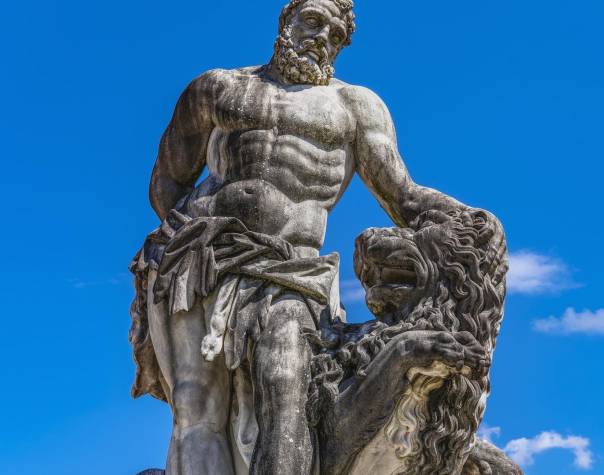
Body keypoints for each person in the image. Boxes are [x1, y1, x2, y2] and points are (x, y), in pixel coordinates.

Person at [128, 1, 468, 474]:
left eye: (334, 32)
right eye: (312, 20)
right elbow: (167, 181)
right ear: (285, 22)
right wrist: (183, 238)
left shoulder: (356, 106)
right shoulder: (218, 88)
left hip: (293, 271)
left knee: (287, 382)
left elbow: (404, 198)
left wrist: (473, 221)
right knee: (196, 406)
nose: (320, 36)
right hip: (200, 259)